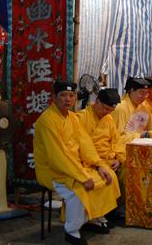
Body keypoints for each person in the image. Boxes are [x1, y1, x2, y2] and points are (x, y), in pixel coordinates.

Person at [33, 81, 120, 245]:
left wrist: (99, 165)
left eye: (71, 95)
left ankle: (92, 219)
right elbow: (57, 156)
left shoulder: (73, 118)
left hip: (75, 166)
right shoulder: (46, 121)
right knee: (79, 189)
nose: (68, 99)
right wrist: (81, 177)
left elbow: (85, 144)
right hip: (54, 170)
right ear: (53, 97)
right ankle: (72, 231)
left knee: (106, 178)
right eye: (63, 96)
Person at [77, 88, 125, 174]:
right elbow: (82, 146)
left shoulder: (109, 118)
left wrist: (118, 159)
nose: (107, 112)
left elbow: (117, 141)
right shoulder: (81, 117)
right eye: (106, 109)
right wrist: (97, 163)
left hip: (109, 160)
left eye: (111, 110)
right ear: (97, 101)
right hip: (90, 161)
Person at [111, 77, 152, 144]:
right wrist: (140, 135)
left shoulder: (144, 108)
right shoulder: (120, 108)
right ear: (132, 90)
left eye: (146, 93)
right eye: (141, 92)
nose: (144, 96)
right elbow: (117, 137)